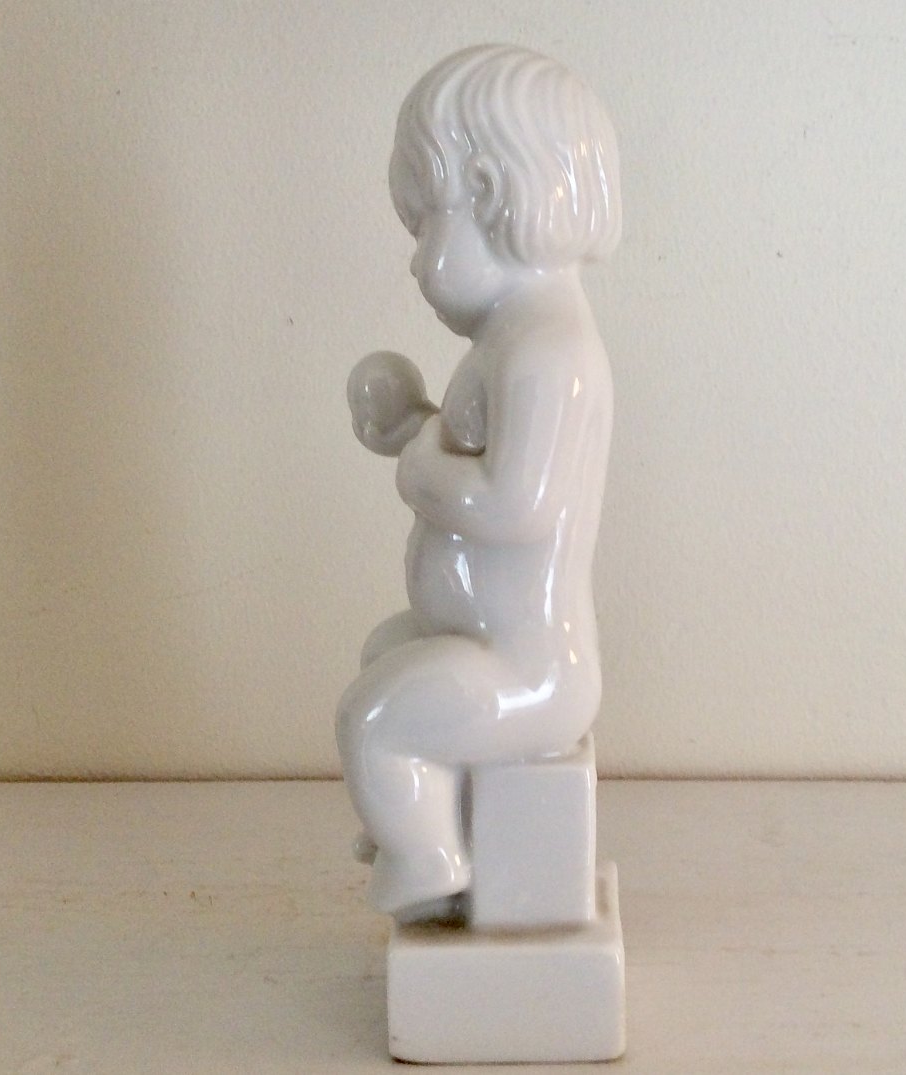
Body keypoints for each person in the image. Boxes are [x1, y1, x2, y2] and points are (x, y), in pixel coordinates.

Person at [337, 44, 620, 923]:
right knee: (385, 651)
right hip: (481, 641)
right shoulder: (511, 343)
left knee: (372, 717)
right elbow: (472, 454)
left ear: (495, 197)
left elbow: (515, 505)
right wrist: (414, 424)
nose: (416, 261)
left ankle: (425, 858)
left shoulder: (549, 354)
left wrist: (419, 468)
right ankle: (421, 813)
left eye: (426, 225)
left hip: (530, 669)